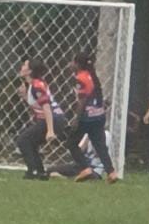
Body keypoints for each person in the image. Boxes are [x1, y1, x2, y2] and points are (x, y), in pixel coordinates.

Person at [69, 51, 118, 183]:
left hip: (87, 117)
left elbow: (82, 100)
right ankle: (111, 172)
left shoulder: (80, 78)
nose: (70, 64)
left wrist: (77, 119)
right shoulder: (92, 75)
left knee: (71, 143)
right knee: (100, 145)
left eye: (73, 62)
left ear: (78, 64)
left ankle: (85, 168)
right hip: (99, 115)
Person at [16, 57, 62, 179]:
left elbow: (46, 108)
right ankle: (40, 172)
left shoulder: (37, 86)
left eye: (24, 66)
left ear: (30, 71)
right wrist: (25, 96)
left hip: (52, 119)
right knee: (30, 142)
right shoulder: (34, 84)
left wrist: (50, 130)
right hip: (52, 119)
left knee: (23, 140)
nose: (21, 67)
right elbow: (38, 105)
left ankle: (34, 170)